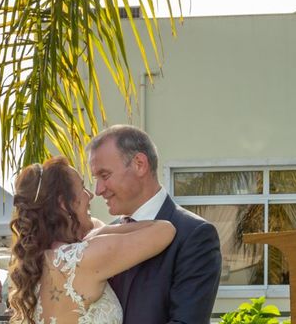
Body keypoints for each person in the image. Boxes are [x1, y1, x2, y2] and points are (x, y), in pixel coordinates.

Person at [9, 156, 176, 324]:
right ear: (63, 204)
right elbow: (165, 230)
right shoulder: (84, 257)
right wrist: (103, 230)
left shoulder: (39, 261)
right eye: (82, 187)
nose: (90, 195)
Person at [88, 125, 222, 323]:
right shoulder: (105, 235)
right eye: (95, 179)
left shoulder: (194, 235)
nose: (98, 190)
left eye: (105, 175)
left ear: (140, 164)